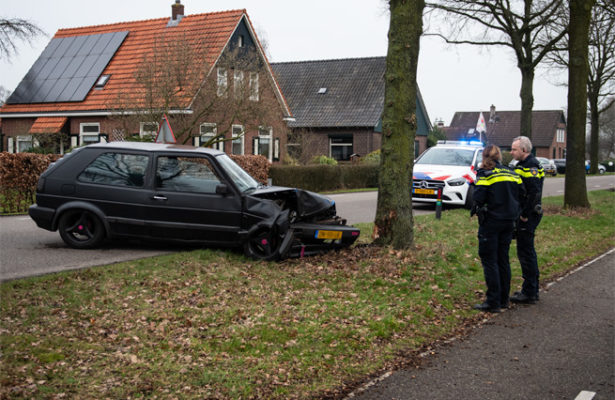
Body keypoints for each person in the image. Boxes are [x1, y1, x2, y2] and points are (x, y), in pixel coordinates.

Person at [471, 145, 523, 313]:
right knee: (503, 259)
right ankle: (504, 299)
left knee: (489, 260)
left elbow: (478, 198)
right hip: (509, 222)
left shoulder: (486, 174)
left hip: (491, 222)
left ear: (485, 157)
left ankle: (492, 301)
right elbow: (522, 194)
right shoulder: (512, 173)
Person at [510, 136, 544, 304]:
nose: (511, 152)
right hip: (525, 214)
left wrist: (524, 214)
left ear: (523, 150)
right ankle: (530, 289)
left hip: (528, 216)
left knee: (526, 252)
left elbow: (534, 193)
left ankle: (530, 292)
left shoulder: (531, 166)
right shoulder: (523, 165)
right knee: (525, 251)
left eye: (514, 149)